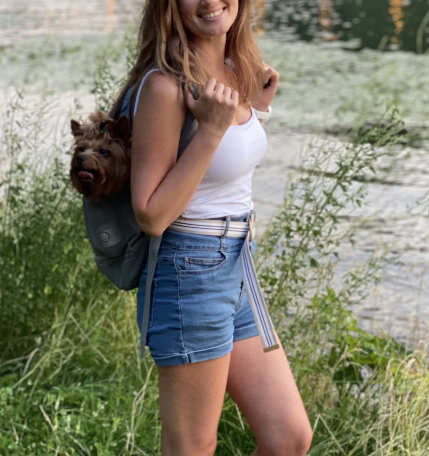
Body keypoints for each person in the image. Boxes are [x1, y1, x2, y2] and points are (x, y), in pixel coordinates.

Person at [110, 1, 312, 454]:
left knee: (288, 437)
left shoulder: (232, 71)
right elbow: (151, 214)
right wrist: (211, 131)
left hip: (237, 266)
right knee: (193, 449)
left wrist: (256, 113)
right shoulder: (165, 87)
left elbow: (222, 175)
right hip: (190, 272)